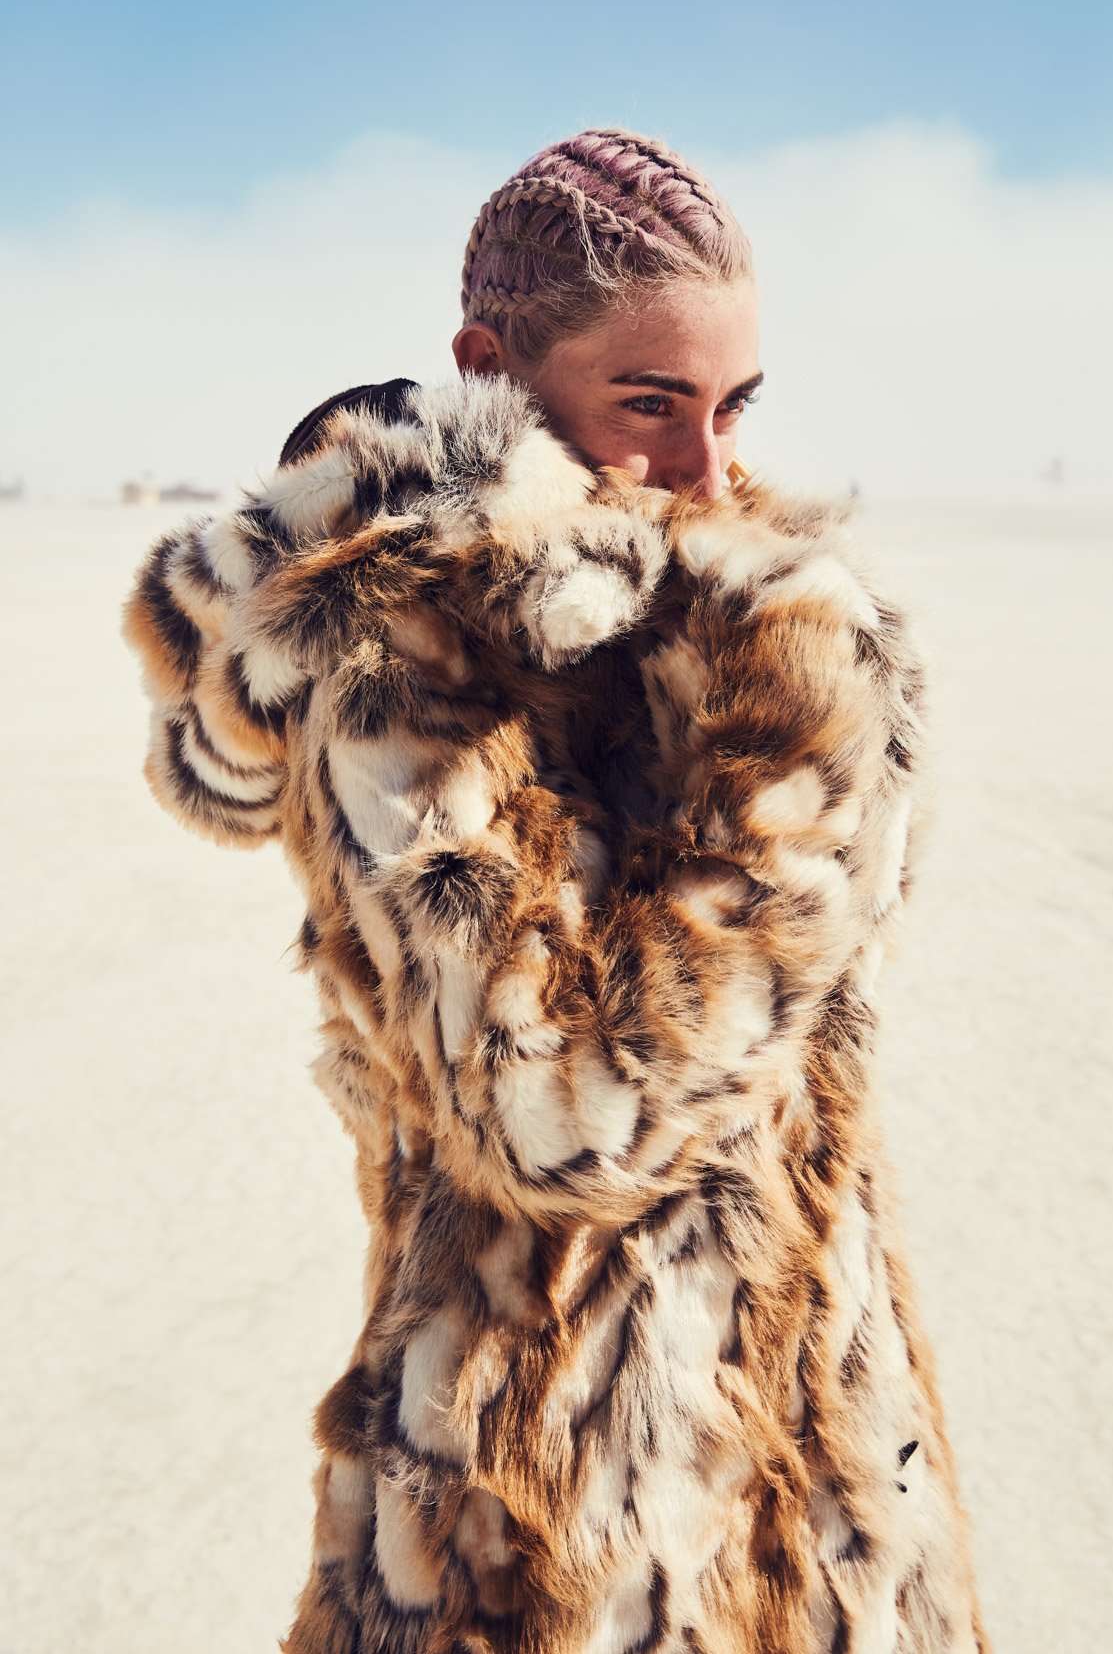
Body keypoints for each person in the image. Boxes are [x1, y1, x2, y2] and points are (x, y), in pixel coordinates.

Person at [121, 128, 989, 1654]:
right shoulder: (405, 651)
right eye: (652, 404)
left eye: (735, 407)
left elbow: (850, 956)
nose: (708, 468)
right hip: (563, 1499)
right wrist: (788, 768)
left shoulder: (701, 587)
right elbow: (562, 1115)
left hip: (806, 1449)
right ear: (494, 367)